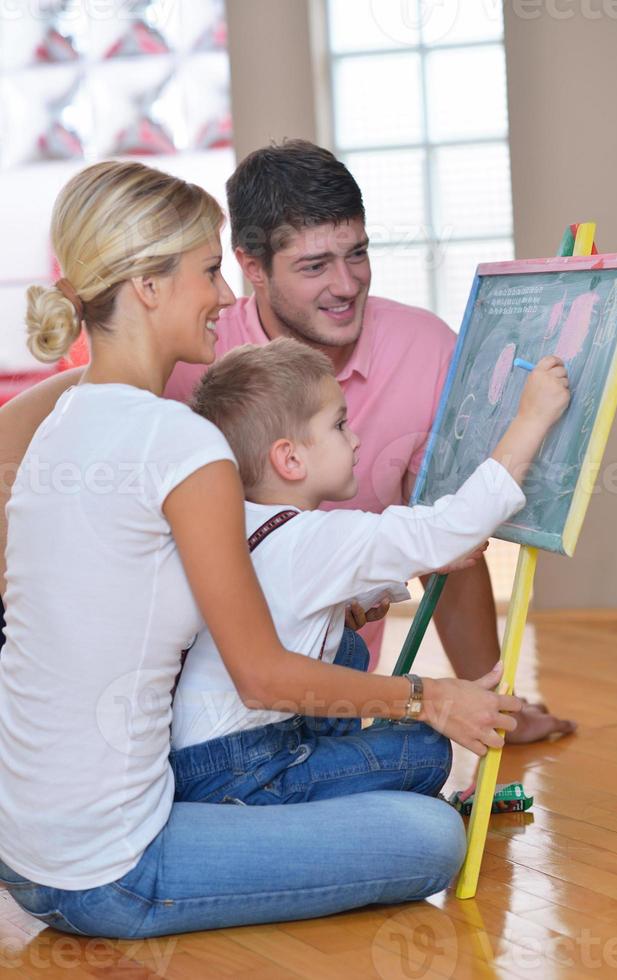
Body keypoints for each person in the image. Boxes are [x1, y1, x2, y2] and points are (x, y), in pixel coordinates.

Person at [0, 159, 526, 940]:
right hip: (112, 870)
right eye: (208, 271)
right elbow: (261, 675)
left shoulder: (59, 428)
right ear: (146, 285)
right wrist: (431, 697)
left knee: (407, 754)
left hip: (25, 852)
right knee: (431, 839)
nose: (222, 294)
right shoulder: (183, 443)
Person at [164, 139, 577, 744]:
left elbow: (453, 549)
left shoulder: (430, 349)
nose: (345, 284)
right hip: (210, 709)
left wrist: (495, 705)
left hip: (335, 688)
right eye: (314, 266)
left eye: (357, 253)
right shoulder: (192, 363)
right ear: (251, 266)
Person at [171, 338, 570, 808]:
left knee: (349, 646)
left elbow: (287, 597)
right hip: (243, 773)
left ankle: (322, 773)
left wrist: (375, 591)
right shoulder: (318, 537)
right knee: (422, 751)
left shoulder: (243, 519)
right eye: (339, 425)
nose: (356, 438)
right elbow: (455, 527)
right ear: (290, 458)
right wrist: (531, 419)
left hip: (199, 762)